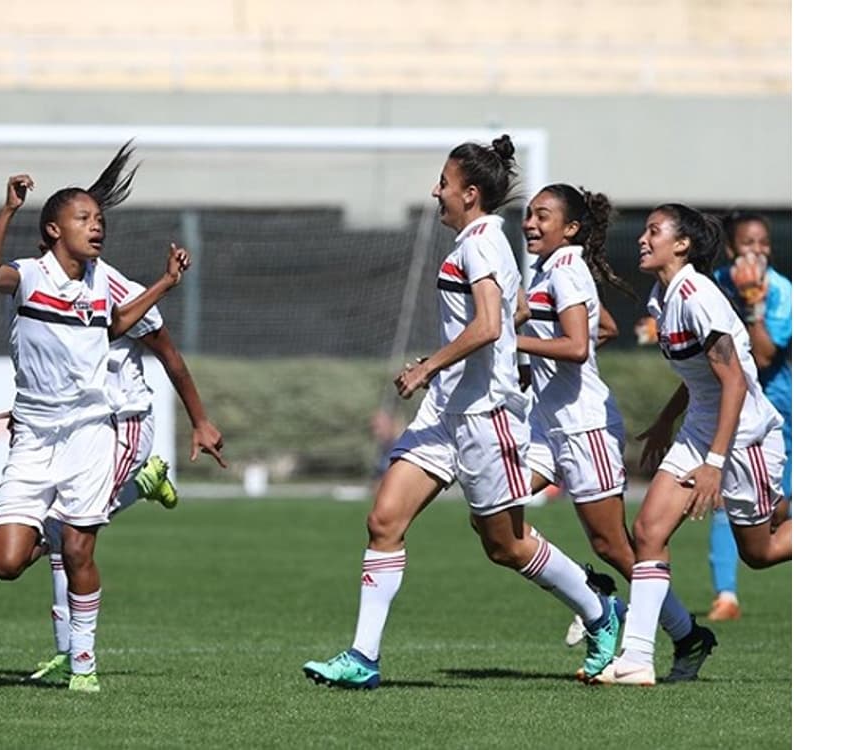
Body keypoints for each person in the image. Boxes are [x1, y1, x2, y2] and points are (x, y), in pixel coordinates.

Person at [302, 135, 619, 689]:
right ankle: (363, 659)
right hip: (445, 412)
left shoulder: (481, 244)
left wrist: (428, 366)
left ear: (470, 194)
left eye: (444, 184)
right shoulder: (482, 243)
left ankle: (597, 608)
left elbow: (491, 324)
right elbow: (512, 310)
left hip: (483, 416)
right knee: (383, 520)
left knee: (505, 544)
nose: (435, 191)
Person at [0, 144, 190, 694]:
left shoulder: (101, 281)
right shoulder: (28, 276)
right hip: (34, 437)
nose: (97, 228)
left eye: (99, 220)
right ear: (52, 230)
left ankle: (84, 665)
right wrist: (7, 211)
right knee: (6, 561)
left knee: (76, 549)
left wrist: (163, 284)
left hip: (91, 432)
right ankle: (129, 495)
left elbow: (114, 326)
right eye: (84, 219)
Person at [515, 184, 713, 681]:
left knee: (617, 548)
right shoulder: (548, 270)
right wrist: (533, 364)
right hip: (548, 425)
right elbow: (602, 327)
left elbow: (580, 345)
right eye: (529, 215)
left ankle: (685, 634)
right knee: (497, 508)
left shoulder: (567, 268)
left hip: (586, 427)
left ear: (571, 228)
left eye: (542, 216)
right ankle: (593, 596)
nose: (530, 224)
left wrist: (509, 342)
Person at [593, 203, 791, 686]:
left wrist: (715, 463)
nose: (642, 239)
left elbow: (736, 383)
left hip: (745, 437)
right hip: (701, 430)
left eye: (653, 231)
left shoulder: (698, 294)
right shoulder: (664, 297)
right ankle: (638, 658)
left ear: (681, 245)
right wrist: (666, 419)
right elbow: (701, 375)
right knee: (648, 532)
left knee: (760, 553)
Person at [27, 275, 228, 684]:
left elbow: (169, 355)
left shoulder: (117, 290)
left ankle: (79, 662)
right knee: (55, 529)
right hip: (78, 427)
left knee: (68, 532)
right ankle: (68, 654)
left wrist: (201, 421)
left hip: (126, 424)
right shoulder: (45, 287)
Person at [705, 210, 792, 622]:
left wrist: (755, 305)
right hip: (736, 416)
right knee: (727, 504)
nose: (757, 252)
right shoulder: (715, 287)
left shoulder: (781, 292)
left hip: (785, 417)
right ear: (730, 249)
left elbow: (764, 354)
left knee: (778, 513)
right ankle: (726, 595)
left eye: (764, 243)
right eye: (747, 243)